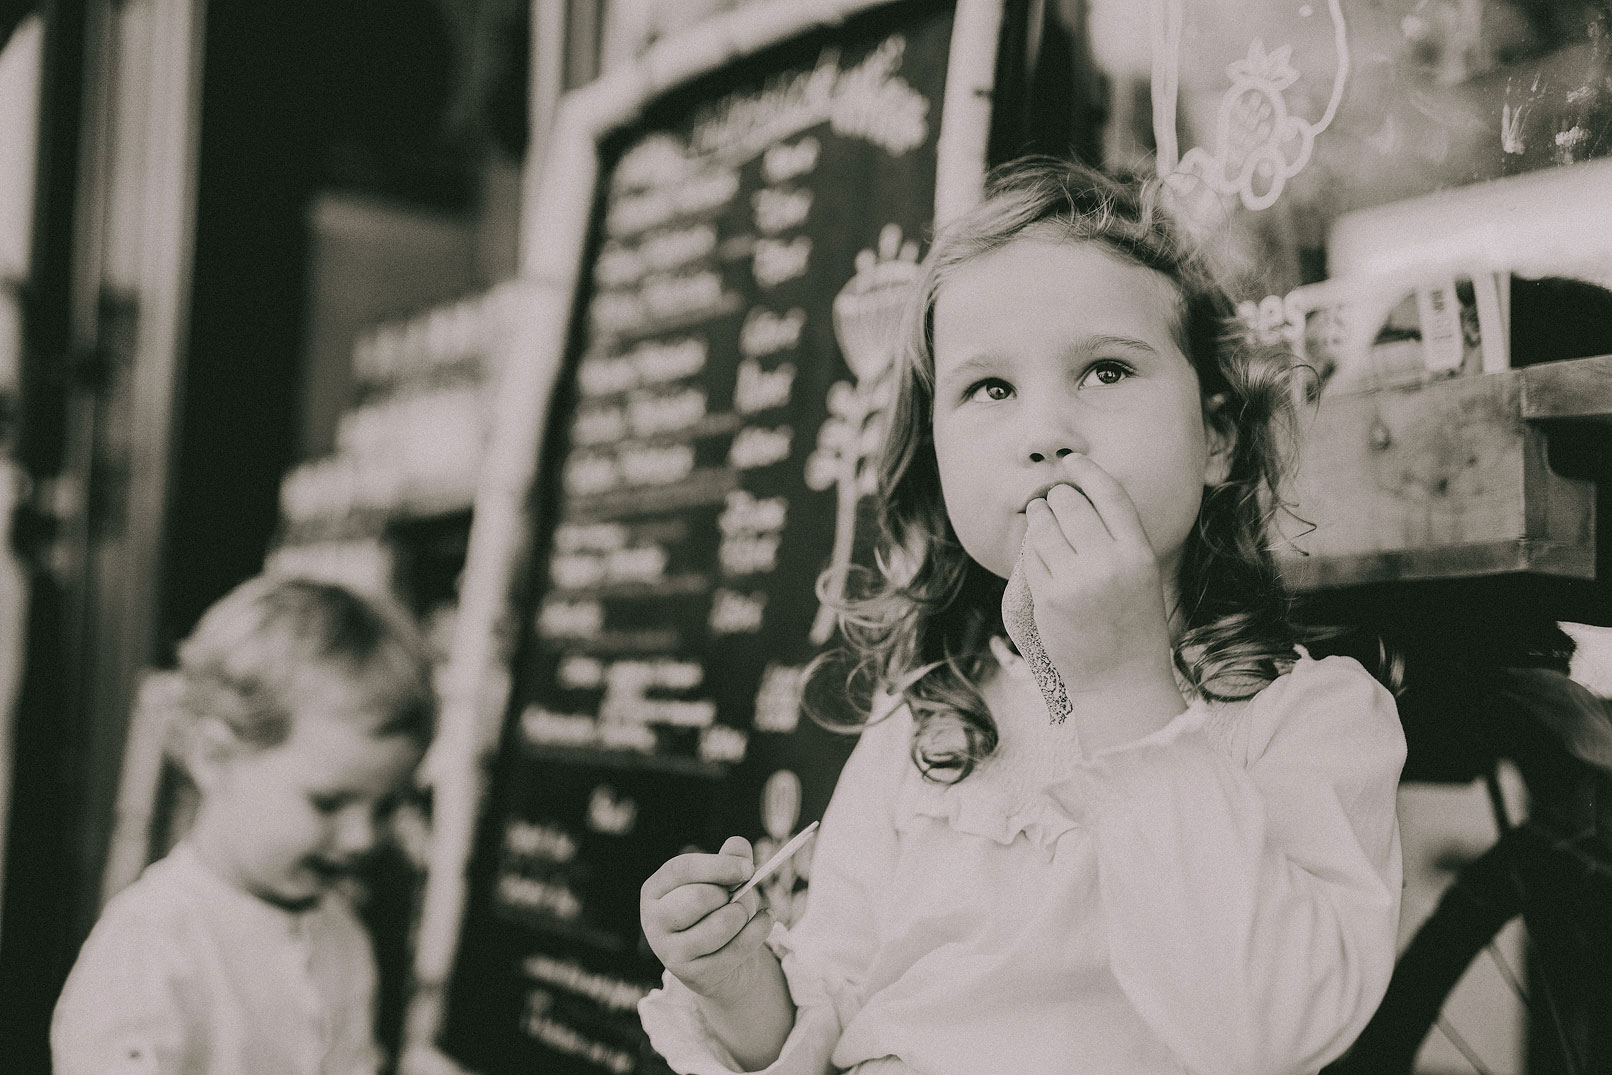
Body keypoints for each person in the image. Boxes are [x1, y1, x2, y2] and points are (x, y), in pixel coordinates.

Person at [637, 158, 1406, 1075]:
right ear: (937, 459)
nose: (1044, 431)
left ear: (1217, 436)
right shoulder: (927, 719)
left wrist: (1124, 687)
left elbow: (1272, 1029)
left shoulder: (1309, 717)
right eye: (990, 389)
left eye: (1106, 369)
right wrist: (738, 983)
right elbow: (836, 1001)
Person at [52, 575, 436, 1075]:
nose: (362, 838)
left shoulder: (343, 939)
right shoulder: (150, 953)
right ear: (215, 755)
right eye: (328, 802)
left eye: (386, 808)